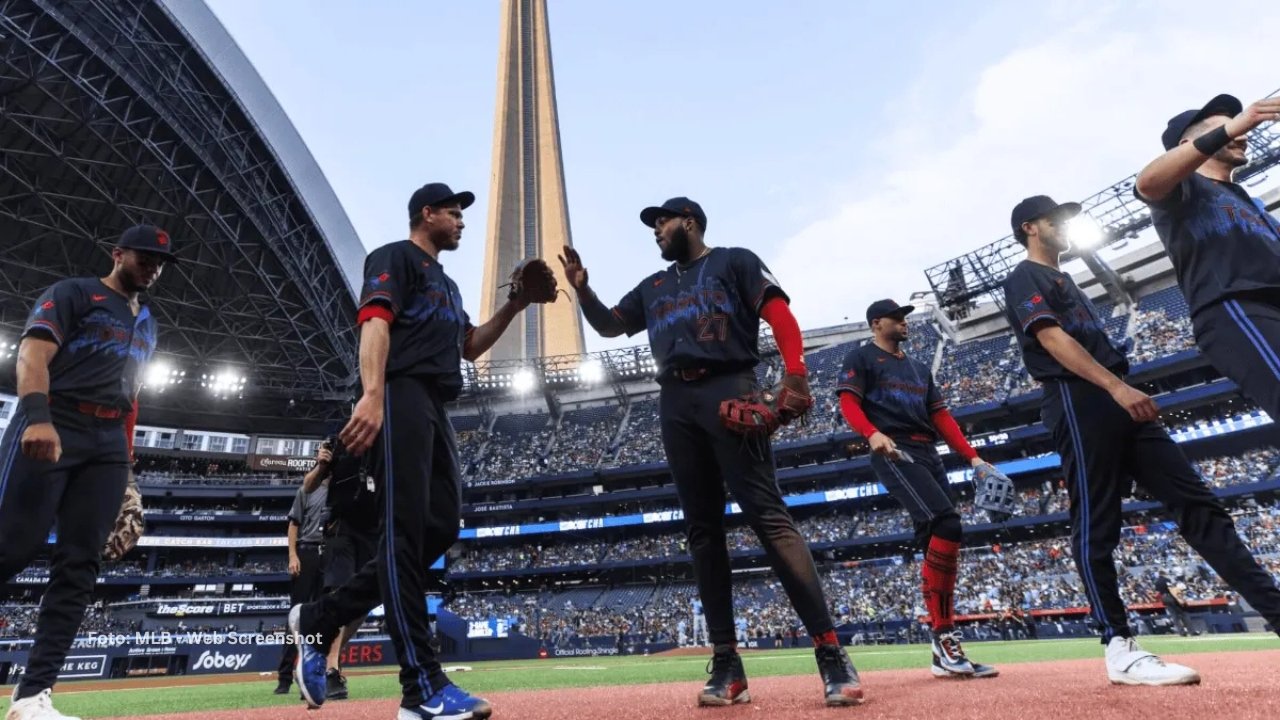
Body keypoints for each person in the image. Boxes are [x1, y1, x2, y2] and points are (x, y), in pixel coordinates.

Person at [560, 197, 862, 707]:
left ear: (690, 223)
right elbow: (611, 326)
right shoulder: (654, 287)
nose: (656, 230)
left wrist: (795, 373)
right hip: (676, 402)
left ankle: (830, 653)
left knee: (770, 519)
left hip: (731, 387)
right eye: (653, 224)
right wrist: (583, 288)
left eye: (663, 222)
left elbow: (779, 313)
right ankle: (727, 662)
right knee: (702, 531)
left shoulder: (733, 260)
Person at [1002, 195, 1280, 686]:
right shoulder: (1026, 276)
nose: (1065, 227)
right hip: (1078, 397)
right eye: (1055, 221)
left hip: (1117, 394)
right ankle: (1118, 645)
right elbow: (1050, 339)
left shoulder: (1066, 280)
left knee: (1199, 504)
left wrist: (1118, 386)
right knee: (1096, 520)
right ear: (1030, 228)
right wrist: (1113, 386)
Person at [289, 183, 541, 720]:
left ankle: (320, 616)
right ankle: (421, 690)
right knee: (402, 537)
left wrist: (515, 303)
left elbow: (470, 347)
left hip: (435, 403)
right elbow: (375, 321)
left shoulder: (447, 284)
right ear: (426, 214)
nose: (461, 223)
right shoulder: (395, 258)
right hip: (399, 393)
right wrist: (374, 395)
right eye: (453, 213)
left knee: (441, 527)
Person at [0, 225, 171, 720]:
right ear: (117, 254)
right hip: (58, 419)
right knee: (13, 544)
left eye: (160, 261)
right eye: (144, 257)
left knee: (81, 566)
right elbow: (32, 353)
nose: (153, 267)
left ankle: (33, 696)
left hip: (109, 440)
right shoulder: (75, 293)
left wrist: (129, 468)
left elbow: (133, 396)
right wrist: (37, 417)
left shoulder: (150, 321)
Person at [835, 299, 998, 679]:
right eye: (897, 317)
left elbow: (940, 416)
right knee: (948, 523)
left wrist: (973, 458)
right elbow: (848, 400)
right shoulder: (860, 357)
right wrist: (871, 432)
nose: (904, 322)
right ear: (877, 323)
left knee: (934, 542)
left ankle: (943, 649)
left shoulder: (919, 367)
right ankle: (944, 636)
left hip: (928, 452)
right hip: (895, 450)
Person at [1134, 93, 1280, 418]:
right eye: (1226, 128)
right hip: (1238, 307)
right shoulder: (1185, 188)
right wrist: (1234, 126)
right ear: (1187, 142)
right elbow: (1147, 183)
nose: (1240, 134)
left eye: (1237, 127)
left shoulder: (1249, 202)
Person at [311, 433, 380, 700]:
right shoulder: (339, 440)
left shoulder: (390, 436)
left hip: (373, 530)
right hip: (342, 527)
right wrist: (321, 465)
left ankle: (320, 659)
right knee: (339, 595)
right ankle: (330, 671)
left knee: (364, 601)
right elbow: (309, 486)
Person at [272, 445, 331, 697]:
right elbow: (293, 524)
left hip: (330, 554)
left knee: (323, 618)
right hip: (307, 552)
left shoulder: (340, 490)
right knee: (296, 617)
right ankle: (284, 676)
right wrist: (293, 555)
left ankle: (312, 676)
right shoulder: (306, 488)